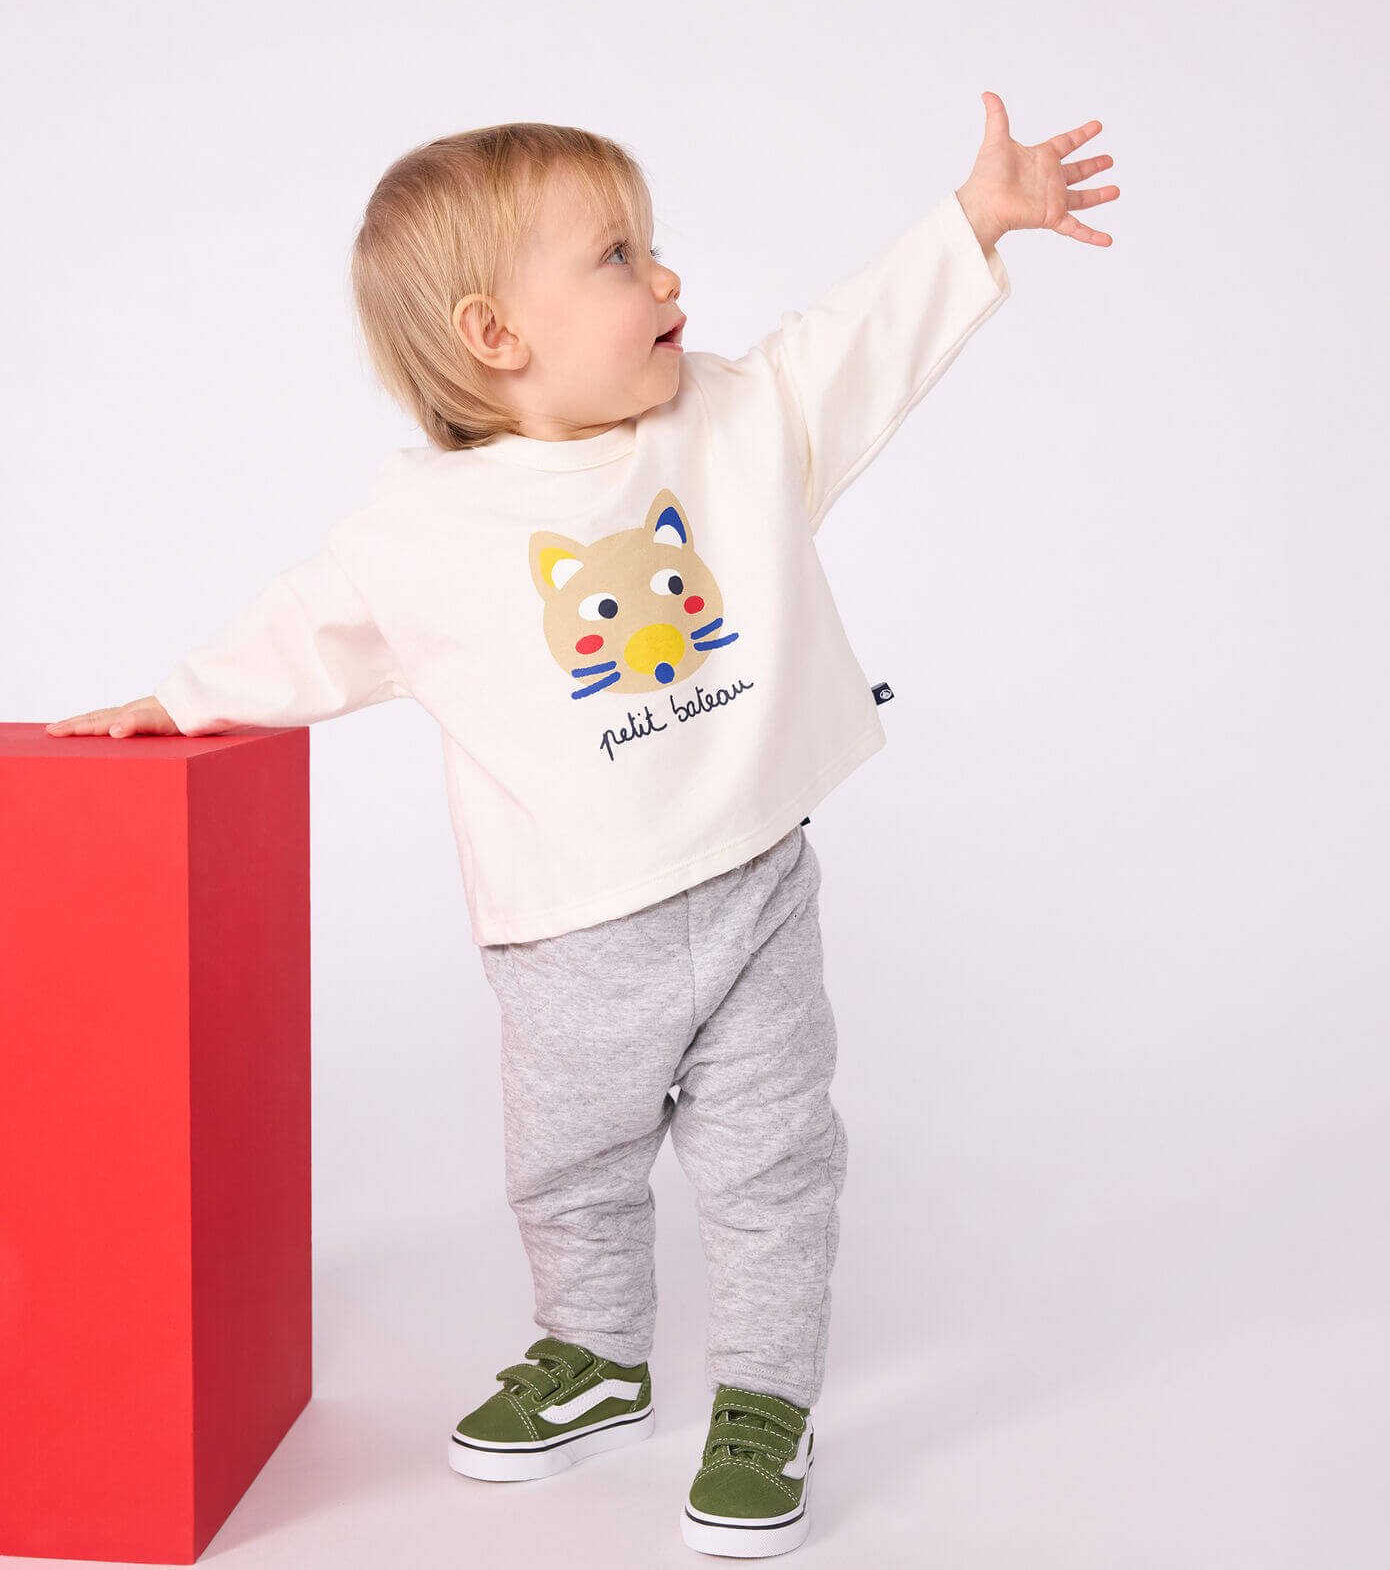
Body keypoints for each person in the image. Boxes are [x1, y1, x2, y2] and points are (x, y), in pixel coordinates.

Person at [46, 101, 1117, 1559]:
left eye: (653, 245)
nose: (668, 277)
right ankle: (597, 1355)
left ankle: (766, 1398)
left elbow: (852, 346)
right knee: (568, 1168)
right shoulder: (418, 533)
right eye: (619, 256)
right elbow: (302, 632)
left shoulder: (731, 425)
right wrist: (172, 699)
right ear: (495, 334)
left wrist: (971, 222)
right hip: (565, 938)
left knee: (772, 1162)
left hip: (753, 891)